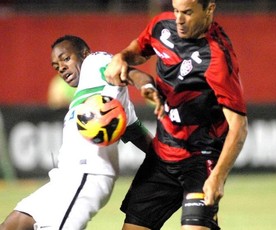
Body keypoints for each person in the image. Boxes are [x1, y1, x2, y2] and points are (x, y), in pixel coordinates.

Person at [104, 0, 248, 229]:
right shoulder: (162, 26)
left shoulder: (218, 58)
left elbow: (239, 127)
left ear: (209, 9)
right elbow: (137, 51)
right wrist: (121, 58)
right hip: (162, 157)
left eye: (188, 12)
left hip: (200, 160)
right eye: (176, 10)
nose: (179, 19)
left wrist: (218, 177)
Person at [0, 35, 158, 230]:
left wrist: (145, 83)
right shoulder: (100, 93)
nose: (62, 68)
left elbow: (125, 71)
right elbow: (137, 134)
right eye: (56, 66)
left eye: (66, 59)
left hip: (88, 173)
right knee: (14, 224)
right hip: (64, 178)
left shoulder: (94, 61)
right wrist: (167, 157)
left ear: (84, 54)